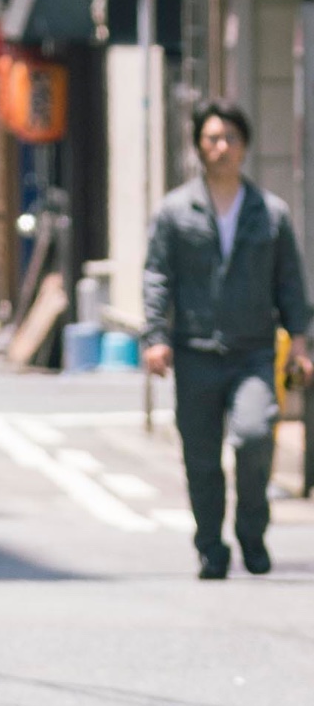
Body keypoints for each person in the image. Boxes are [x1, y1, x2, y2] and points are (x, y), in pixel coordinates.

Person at [143, 100, 313, 579]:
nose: (221, 148)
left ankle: (252, 530)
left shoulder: (270, 214)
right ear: (199, 144)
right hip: (195, 350)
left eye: (230, 139)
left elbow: (291, 284)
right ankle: (210, 547)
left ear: (245, 147)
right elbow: (157, 275)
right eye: (212, 138)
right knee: (200, 457)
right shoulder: (176, 211)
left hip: (253, 351)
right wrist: (155, 336)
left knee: (255, 436)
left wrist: (299, 343)